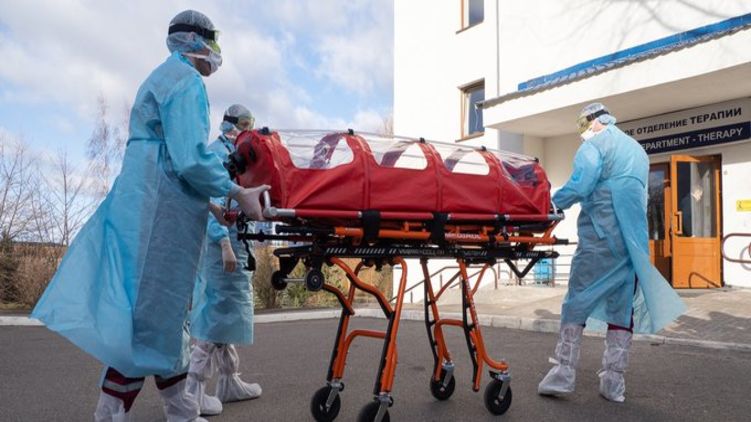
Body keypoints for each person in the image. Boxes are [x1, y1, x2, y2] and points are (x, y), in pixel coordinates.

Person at [31, 10, 269, 422]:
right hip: (164, 215)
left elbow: (172, 157)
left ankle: (180, 407)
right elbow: (190, 158)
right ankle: (113, 411)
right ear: (195, 41)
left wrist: (211, 205)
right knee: (151, 317)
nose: (216, 51)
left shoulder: (161, 77)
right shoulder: (186, 82)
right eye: (212, 40)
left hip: (148, 204)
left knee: (162, 317)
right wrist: (235, 192)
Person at [537, 103, 685, 403]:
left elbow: (580, 185)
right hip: (632, 243)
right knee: (621, 310)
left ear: (595, 122)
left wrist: (548, 205)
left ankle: (563, 375)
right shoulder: (637, 151)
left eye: (583, 125)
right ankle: (613, 383)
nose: (582, 132)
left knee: (577, 302)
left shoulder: (594, 147)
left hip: (600, 240)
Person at [186, 104, 262, 416]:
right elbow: (212, 200)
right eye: (243, 123)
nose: (247, 128)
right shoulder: (219, 154)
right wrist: (224, 244)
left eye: (250, 123)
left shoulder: (238, 155)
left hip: (236, 242)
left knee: (227, 315)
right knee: (216, 316)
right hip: (223, 247)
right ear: (228, 123)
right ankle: (192, 392)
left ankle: (229, 382)